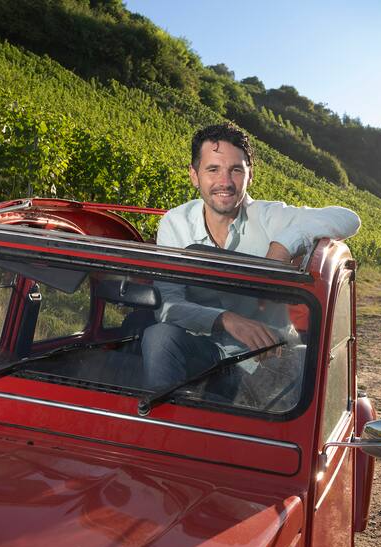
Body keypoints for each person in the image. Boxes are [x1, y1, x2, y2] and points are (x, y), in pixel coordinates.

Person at [142, 123, 360, 400]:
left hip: (270, 356)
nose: (225, 181)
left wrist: (283, 244)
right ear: (194, 176)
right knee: (158, 337)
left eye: (236, 169)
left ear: (250, 176)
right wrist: (226, 320)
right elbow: (169, 305)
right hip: (204, 349)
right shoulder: (175, 223)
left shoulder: (269, 216)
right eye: (213, 169)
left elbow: (348, 218)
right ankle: (163, 428)